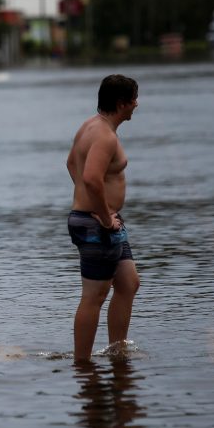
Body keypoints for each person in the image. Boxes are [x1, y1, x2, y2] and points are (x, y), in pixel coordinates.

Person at [66, 74, 141, 362]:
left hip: (100, 219)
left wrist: (97, 206)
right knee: (94, 295)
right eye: (134, 99)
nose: (137, 104)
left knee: (128, 283)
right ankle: (82, 364)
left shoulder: (91, 125)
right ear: (122, 103)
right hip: (96, 225)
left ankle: (116, 351)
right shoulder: (105, 137)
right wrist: (103, 215)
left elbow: (71, 162)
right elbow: (91, 178)